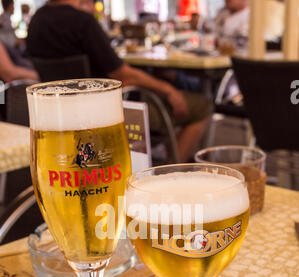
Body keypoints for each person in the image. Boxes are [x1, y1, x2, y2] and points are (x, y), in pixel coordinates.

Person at [26, 0, 212, 163]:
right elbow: (123, 75)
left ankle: (155, 154)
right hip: (105, 113)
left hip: (57, 113)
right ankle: (169, 174)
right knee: (202, 105)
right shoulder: (83, 21)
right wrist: (169, 90)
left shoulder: (36, 20)